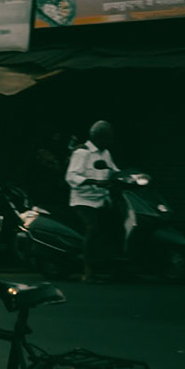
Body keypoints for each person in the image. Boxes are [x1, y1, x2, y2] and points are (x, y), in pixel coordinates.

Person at [65, 120, 120, 280]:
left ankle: (109, 264)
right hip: (84, 201)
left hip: (102, 200)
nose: (112, 141)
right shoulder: (82, 153)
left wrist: (127, 176)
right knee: (93, 229)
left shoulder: (105, 153)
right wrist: (93, 182)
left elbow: (113, 170)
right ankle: (88, 270)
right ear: (100, 138)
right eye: (109, 138)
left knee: (115, 225)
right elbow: (71, 176)